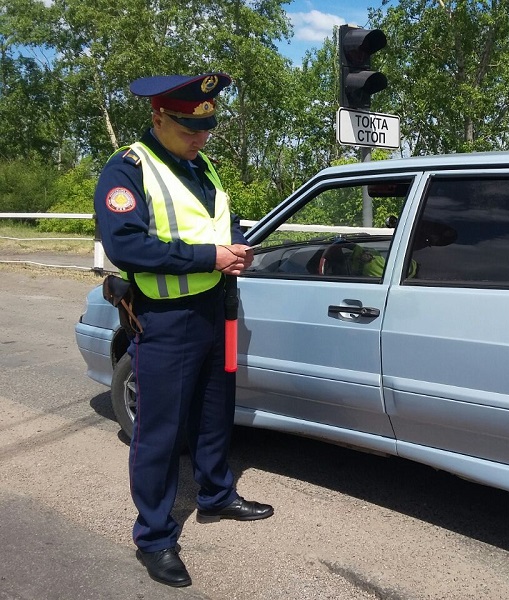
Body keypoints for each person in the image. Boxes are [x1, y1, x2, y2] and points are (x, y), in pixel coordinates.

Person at [93, 72, 273, 588]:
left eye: (208, 128)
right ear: (158, 118)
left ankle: (216, 495)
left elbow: (219, 223)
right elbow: (126, 247)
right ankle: (153, 537)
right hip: (165, 319)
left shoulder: (203, 165)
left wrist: (235, 248)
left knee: (215, 413)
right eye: (190, 128)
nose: (201, 137)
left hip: (215, 310)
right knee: (160, 433)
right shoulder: (129, 169)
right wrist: (209, 257)